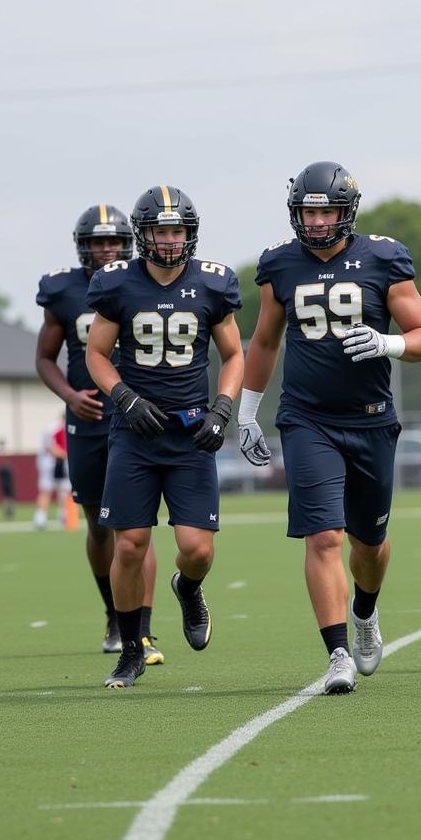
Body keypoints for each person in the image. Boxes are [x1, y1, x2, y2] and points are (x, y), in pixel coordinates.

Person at [238, 161, 421, 695]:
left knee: (368, 544)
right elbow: (263, 341)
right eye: (309, 211)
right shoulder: (280, 264)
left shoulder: (381, 258)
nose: (318, 221)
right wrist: (246, 410)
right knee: (322, 536)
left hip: (371, 420)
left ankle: (365, 613)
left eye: (327, 210)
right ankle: (337, 655)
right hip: (306, 420)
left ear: (346, 212)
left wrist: (387, 343)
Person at [86, 185, 244, 689]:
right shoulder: (117, 284)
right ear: (144, 234)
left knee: (197, 549)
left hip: (190, 431)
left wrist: (223, 408)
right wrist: (124, 397)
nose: (171, 240)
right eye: (162, 230)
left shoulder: (213, 284)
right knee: (129, 544)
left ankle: (188, 588)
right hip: (135, 432)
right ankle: (132, 648)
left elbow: (234, 356)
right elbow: (95, 354)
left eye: (178, 230)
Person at [36, 205, 159, 657]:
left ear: (127, 241)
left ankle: (141, 627)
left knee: (137, 526)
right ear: (82, 245)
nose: (105, 249)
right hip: (87, 418)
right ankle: (114, 612)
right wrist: (70, 396)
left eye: (112, 240)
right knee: (97, 523)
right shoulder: (63, 289)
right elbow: (45, 358)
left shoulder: (145, 277)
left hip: (136, 416)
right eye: (96, 241)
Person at [33, 414, 69, 529]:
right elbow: (50, 448)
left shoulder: (66, 428)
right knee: (46, 490)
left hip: (62, 463)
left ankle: (63, 515)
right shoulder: (53, 428)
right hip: (50, 463)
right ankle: (40, 517)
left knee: (64, 490)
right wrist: (66, 455)